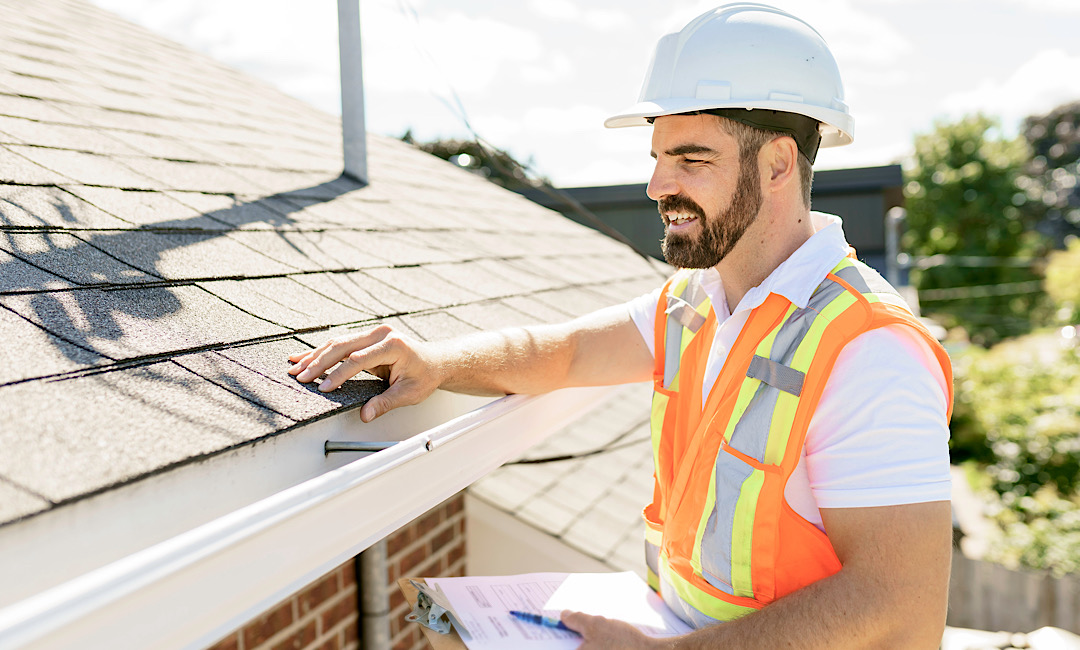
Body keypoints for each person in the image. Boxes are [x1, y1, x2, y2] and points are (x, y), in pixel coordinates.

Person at [289, 4, 954, 648]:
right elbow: (568, 353)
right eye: (658, 157)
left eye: (691, 160)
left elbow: (900, 610)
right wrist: (438, 362)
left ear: (778, 165)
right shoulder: (696, 302)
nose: (657, 185)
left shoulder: (869, 348)